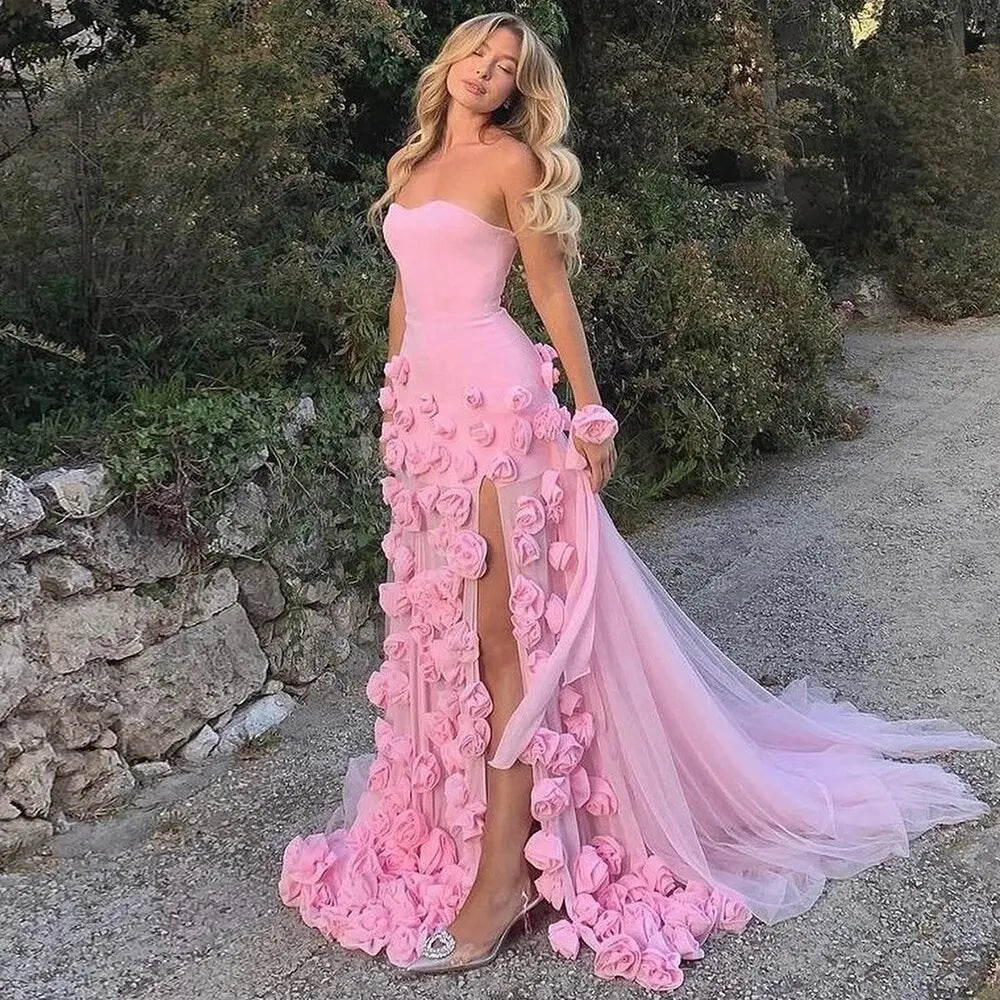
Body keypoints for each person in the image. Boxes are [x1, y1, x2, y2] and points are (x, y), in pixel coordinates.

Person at [277, 11, 997, 991]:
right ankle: (485, 835)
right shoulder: (408, 168)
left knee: (505, 647)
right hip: (427, 426)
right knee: (438, 645)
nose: (488, 75)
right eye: (477, 58)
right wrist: (394, 404)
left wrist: (589, 410)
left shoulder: (512, 166)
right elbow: (406, 299)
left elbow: (549, 292)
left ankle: (501, 884)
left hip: (501, 419)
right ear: (447, 65)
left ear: (518, 86)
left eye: (507, 67)